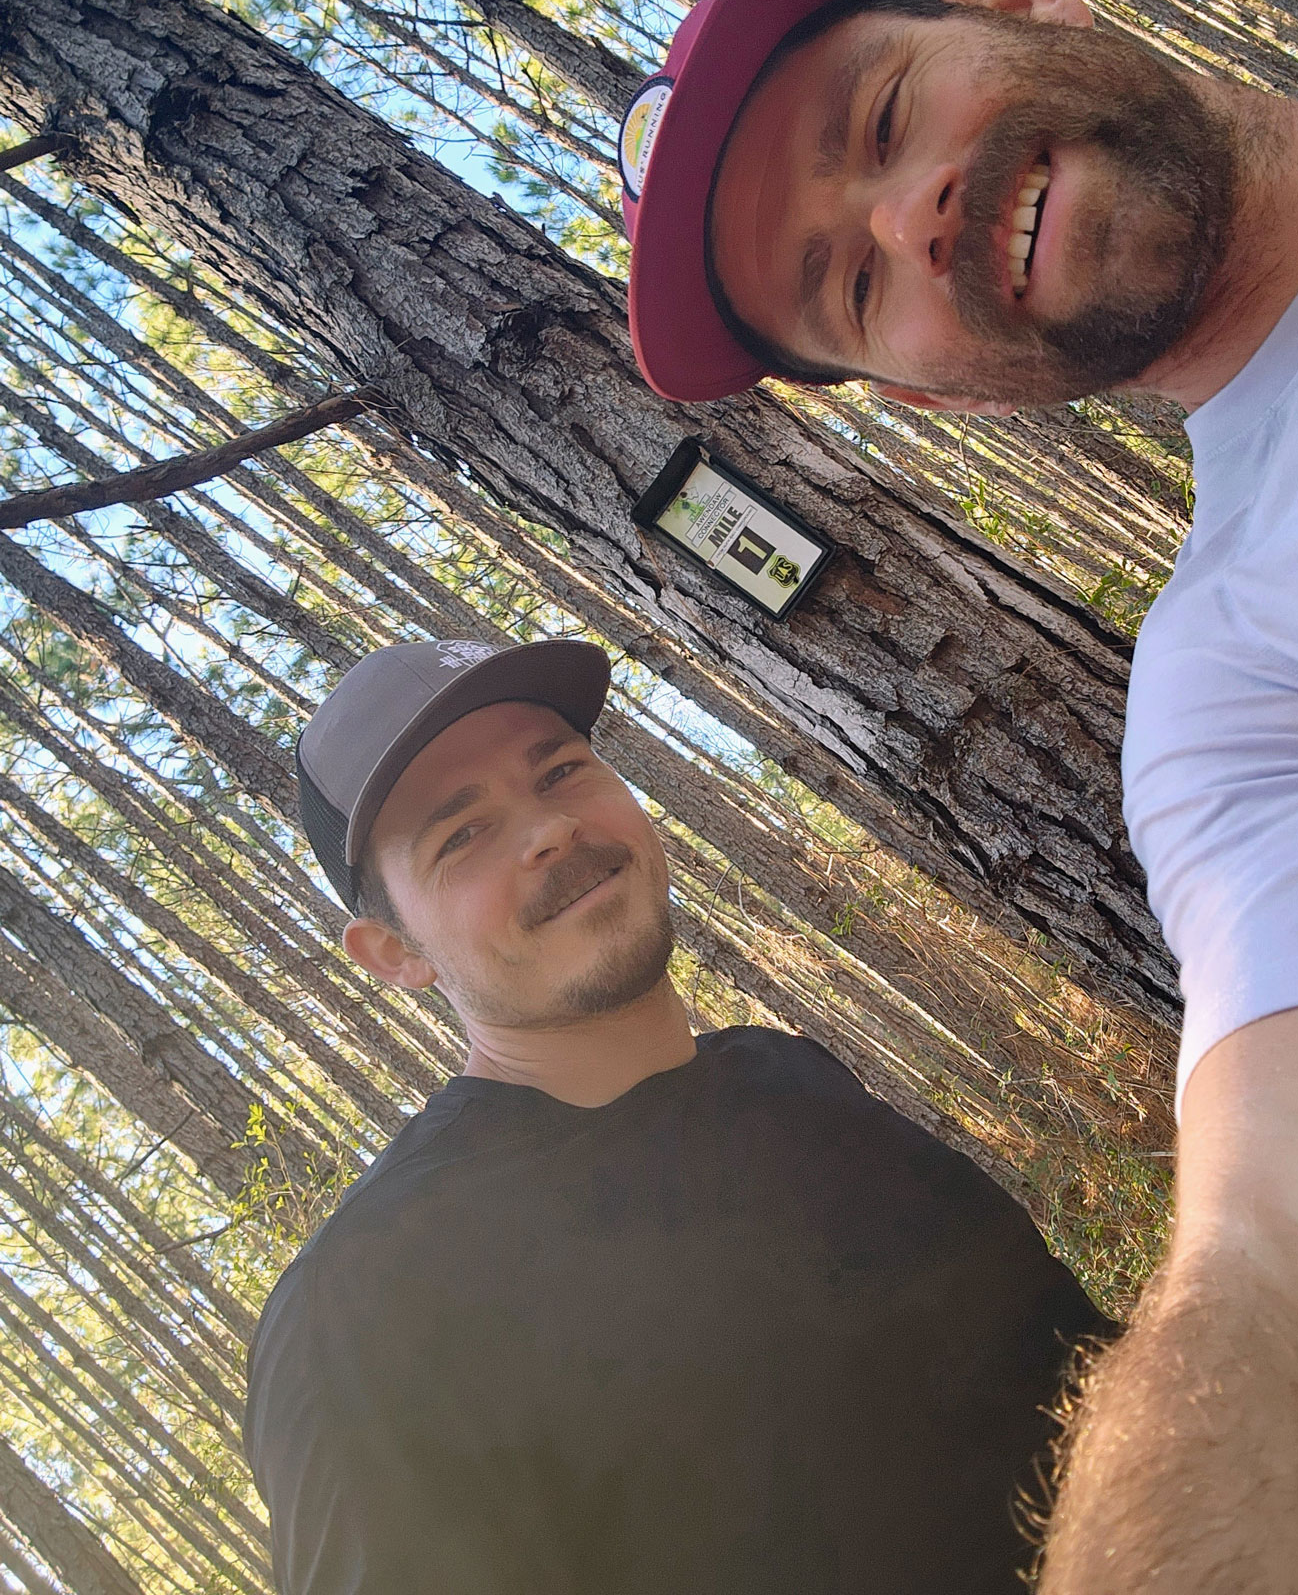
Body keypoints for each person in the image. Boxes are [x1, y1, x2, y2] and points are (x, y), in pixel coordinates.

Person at [618, 0, 1298, 1592]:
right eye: (851, 286)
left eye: (879, 119)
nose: (908, 219)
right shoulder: (1251, 685)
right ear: (929, 400)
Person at [245, 635, 1111, 1594]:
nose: (549, 830)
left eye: (561, 771)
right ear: (395, 954)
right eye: (462, 835)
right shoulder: (366, 1309)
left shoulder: (786, 1077)